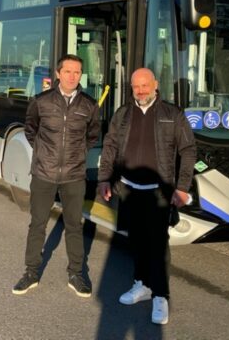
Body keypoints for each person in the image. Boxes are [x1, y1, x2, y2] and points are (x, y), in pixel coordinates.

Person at [97, 68, 196, 325]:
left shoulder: (172, 114)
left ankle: (161, 295)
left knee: (158, 244)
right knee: (137, 240)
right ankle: (142, 285)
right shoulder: (123, 114)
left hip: (158, 192)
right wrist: (104, 179)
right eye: (135, 87)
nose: (140, 91)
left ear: (155, 85)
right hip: (128, 189)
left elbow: (188, 150)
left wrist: (183, 187)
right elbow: (110, 147)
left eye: (144, 86)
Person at [13, 54, 100, 298]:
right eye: (68, 71)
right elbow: (31, 129)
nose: (72, 76)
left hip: (74, 175)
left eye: (77, 72)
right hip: (43, 173)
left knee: (74, 225)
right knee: (37, 224)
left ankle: (76, 273)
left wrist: (78, 153)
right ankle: (31, 272)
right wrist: (43, 153)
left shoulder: (89, 105)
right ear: (58, 73)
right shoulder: (41, 102)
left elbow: (93, 135)